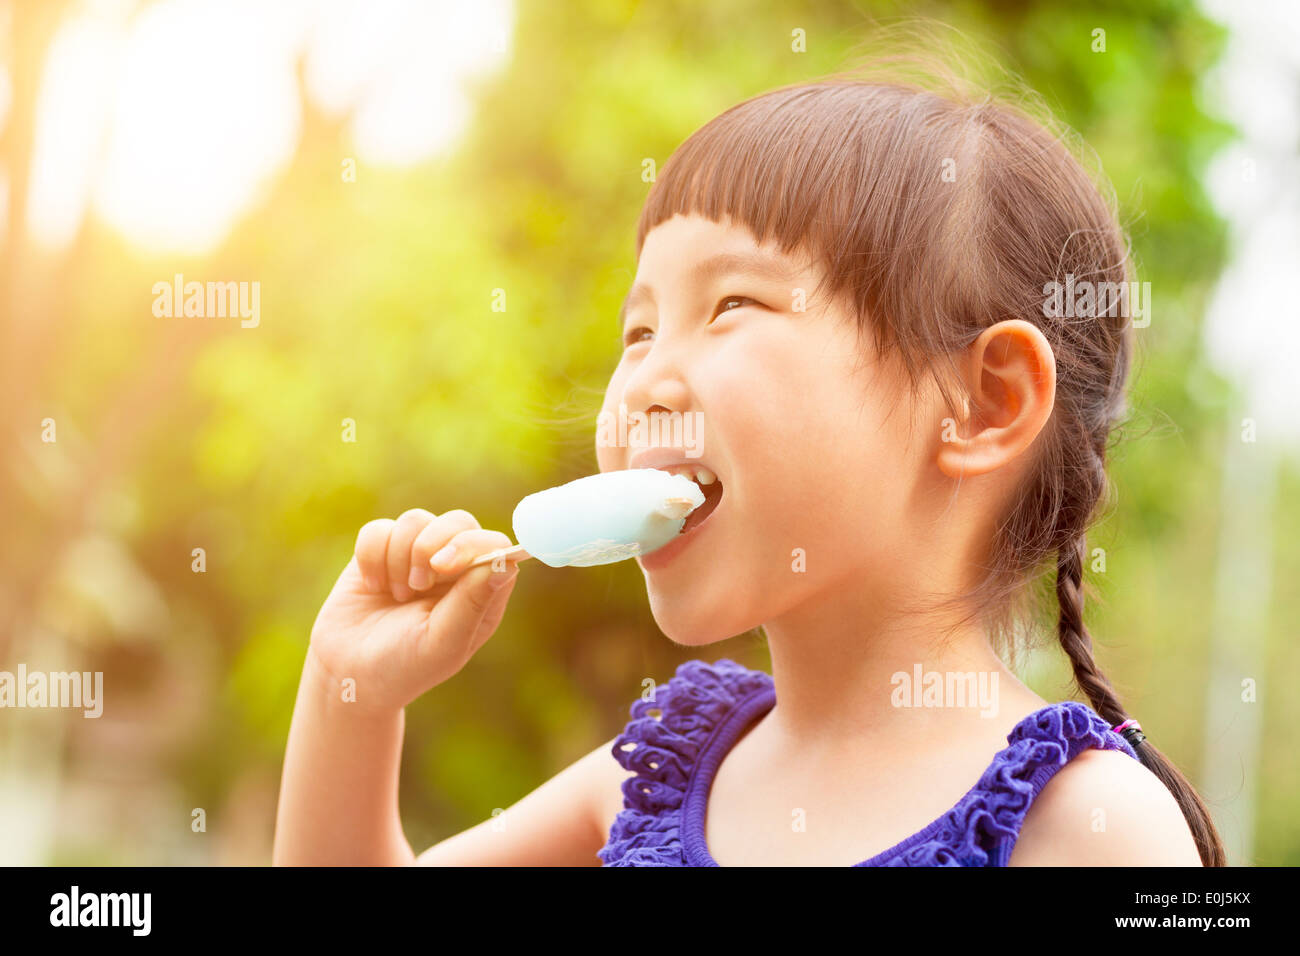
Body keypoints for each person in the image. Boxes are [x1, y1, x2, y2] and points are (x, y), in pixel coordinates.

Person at [272, 57, 1222, 867]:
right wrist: (349, 692)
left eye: (731, 306)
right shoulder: (661, 771)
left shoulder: (1094, 828)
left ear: (985, 403)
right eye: (638, 328)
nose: (639, 380)